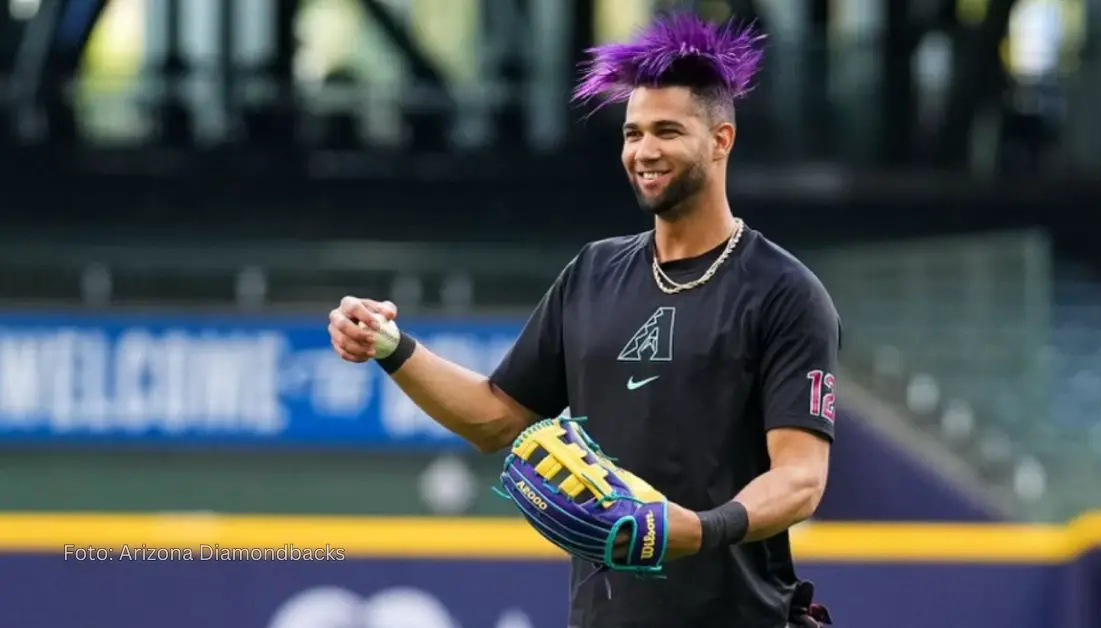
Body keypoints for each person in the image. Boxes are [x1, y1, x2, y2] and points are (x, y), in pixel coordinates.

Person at [327, 12, 840, 628]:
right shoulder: (593, 273)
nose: (644, 151)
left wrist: (701, 529)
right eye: (633, 133)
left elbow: (801, 479)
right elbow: (495, 419)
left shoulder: (784, 292)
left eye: (668, 131)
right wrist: (391, 347)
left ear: (720, 140)